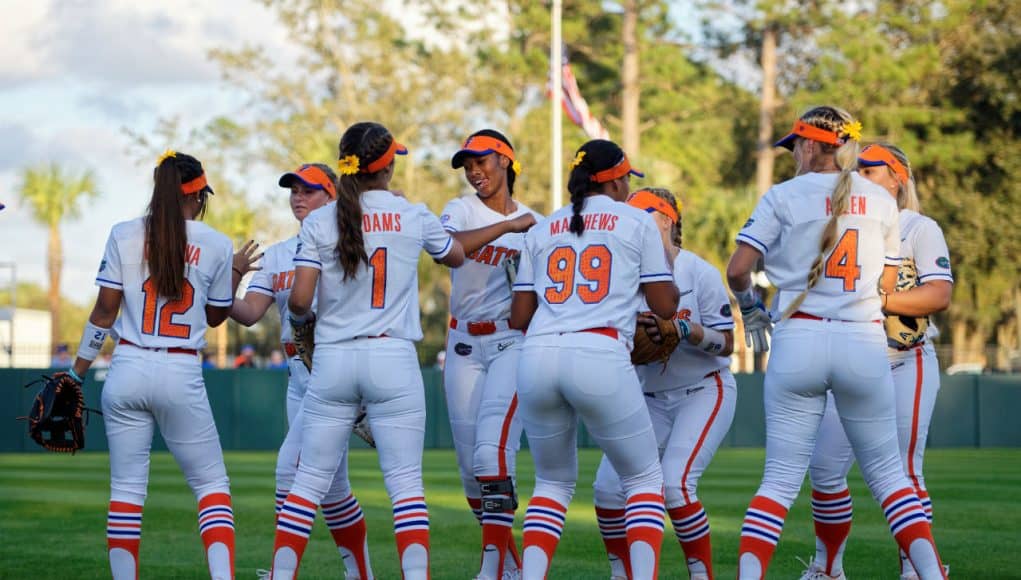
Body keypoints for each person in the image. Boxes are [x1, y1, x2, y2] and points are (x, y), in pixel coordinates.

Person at [727, 106, 946, 579]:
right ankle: (931, 575)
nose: (792, 156)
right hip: (863, 342)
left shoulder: (782, 195)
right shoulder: (883, 202)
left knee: (780, 482)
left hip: (799, 337)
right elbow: (887, 286)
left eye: (794, 147)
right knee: (892, 481)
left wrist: (749, 308)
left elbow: (738, 270)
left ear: (809, 145)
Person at [269, 122, 465, 580]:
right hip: (392, 357)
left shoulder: (320, 220)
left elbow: (299, 301)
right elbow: (454, 256)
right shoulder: (411, 213)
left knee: (306, 485)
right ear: (388, 166)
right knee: (405, 489)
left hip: (334, 359)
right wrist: (512, 224)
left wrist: (302, 329)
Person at [62, 150, 258, 579]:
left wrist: (76, 371)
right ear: (198, 195)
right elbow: (214, 316)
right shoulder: (216, 243)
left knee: (126, 492)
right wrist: (236, 272)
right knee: (211, 488)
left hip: (128, 364)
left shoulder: (123, 233)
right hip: (179, 369)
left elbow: (103, 313)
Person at [510, 139, 679, 580]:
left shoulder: (542, 227)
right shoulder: (637, 222)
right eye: (626, 179)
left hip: (538, 354)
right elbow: (663, 305)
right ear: (618, 180)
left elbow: (519, 316)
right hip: (599, 350)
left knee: (550, 484)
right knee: (643, 481)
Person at [801, 143, 954, 580]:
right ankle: (827, 569)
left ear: (898, 178)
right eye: (857, 168)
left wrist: (880, 299)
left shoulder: (920, 228)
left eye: (872, 168)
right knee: (826, 469)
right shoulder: (841, 225)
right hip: (852, 361)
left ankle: (917, 570)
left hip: (907, 361)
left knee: (906, 470)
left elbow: (938, 294)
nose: (861, 174)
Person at [230, 163, 373, 579]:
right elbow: (249, 314)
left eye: (309, 190)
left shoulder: (352, 244)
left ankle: (281, 571)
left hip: (337, 372)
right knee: (331, 488)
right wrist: (228, 278)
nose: (298, 197)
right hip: (299, 377)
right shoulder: (276, 255)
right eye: (293, 190)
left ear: (332, 196)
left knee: (289, 468)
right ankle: (361, 573)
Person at [592, 187, 736, 580]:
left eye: (643, 214)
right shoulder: (620, 276)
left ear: (668, 220)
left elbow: (728, 343)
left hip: (703, 389)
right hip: (648, 396)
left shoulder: (697, 271)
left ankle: (701, 574)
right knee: (606, 490)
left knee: (675, 485)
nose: (632, 221)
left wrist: (683, 329)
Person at [440, 129, 540, 580]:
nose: (473, 171)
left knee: (491, 457)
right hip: (462, 345)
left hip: (510, 342)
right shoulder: (461, 209)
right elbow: (451, 252)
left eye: (481, 160)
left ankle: (491, 569)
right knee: (469, 474)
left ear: (506, 160)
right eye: (467, 164)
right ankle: (512, 568)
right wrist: (505, 226)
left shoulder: (536, 222)